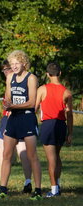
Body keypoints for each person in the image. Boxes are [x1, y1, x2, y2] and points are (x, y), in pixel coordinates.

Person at [0, 50, 43, 200]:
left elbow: (31, 102)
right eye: (12, 64)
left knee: (32, 155)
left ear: (24, 63)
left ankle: (37, 190)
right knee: (6, 154)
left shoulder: (31, 78)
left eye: (17, 63)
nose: (14, 66)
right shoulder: (10, 77)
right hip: (13, 118)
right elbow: (8, 98)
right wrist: (7, 105)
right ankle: (2, 188)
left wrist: (13, 106)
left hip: (27, 118)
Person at [35, 62, 73, 197]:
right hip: (61, 125)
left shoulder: (42, 89)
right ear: (60, 73)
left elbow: (35, 108)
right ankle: (58, 183)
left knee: (51, 159)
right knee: (57, 156)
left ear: (47, 74)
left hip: (48, 125)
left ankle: (54, 189)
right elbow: (69, 115)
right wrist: (70, 133)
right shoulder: (67, 92)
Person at [0, 60, 31, 192]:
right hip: (7, 118)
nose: (6, 72)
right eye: (4, 70)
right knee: (3, 152)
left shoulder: (22, 81)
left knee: (22, 151)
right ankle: (3, 183)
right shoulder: (9, 82)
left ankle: (28, 181)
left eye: (8, 69)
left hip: (18, 118)